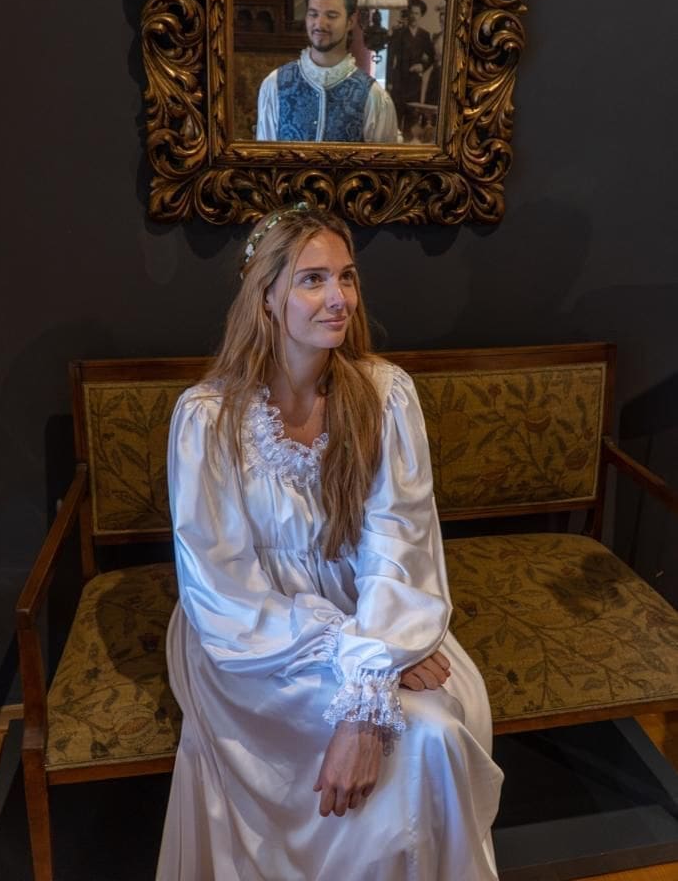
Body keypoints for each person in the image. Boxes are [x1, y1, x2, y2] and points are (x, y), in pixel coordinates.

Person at [157, 203, 503, 881]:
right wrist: (359, 669)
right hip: (252, 640)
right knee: (420, 733)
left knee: (434, 732)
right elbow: (222, 586)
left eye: (346, 277)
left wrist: (373, 675)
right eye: (313, 280)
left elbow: (400, 543)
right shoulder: (207, 418)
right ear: (266, 296)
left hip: (381, 615)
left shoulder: (385, 395)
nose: (339, 298)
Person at [256, 0, 398, 143]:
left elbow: (384, 160)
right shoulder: (274, 85)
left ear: (351, 21)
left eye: (331, 16)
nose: (320, 24)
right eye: (313, 14)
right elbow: (264, 156)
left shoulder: (374, 97)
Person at [386, 0, 435, 124]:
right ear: (408, 14)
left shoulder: (425, 35)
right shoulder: (399, 33)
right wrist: (389, 81)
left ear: (421, 15)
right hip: (399, 83)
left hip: (415, 84)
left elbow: (432, 56)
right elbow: (390, 58)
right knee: (396, 119)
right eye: (412, 13)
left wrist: (422, 66)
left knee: (412, 121)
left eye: (417, 13)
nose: (414, 16)